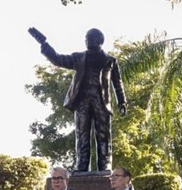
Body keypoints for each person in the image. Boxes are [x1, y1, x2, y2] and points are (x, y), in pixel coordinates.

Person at [29, 27, 127, 172]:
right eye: (86, 38)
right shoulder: (78, 57)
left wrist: (122, 101)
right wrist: (44, 44)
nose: (87, 40)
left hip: (102, 102)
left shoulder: (110, 60)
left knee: (104, 136)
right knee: (82, 135)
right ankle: (82, 166)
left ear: (99, 40)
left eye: (90, 38)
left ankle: (105, 166)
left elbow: (117, 83)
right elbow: (58, 59)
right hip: (82, 102)